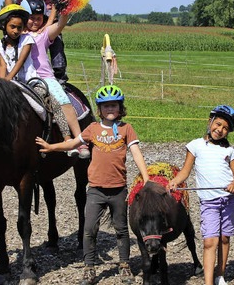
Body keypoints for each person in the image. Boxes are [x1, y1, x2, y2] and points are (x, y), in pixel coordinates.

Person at [35, 85, 149, 285]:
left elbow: (136, 153)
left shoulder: (126, 129)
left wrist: (146, 178)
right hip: (95, 190)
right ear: (99, 109)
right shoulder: (92, 129)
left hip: (118, 189)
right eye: (105, 106)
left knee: (121, 229)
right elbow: (72, 144)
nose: (110, 109)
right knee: (89, 230)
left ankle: (124, 265)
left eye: (114, 105)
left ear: (120, 108)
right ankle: (89, 268)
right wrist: (51, 147)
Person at [168, 105, 234, 285]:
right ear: (210, 122)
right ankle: (208, 282)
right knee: (210, 241)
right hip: (209, 202)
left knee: (224, 238)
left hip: (228, 200)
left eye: (225, 128)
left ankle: (220, 275)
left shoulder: (229, 151)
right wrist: (175, 182)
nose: (220, 130)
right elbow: (185, 171)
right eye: (218, 124)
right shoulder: (195, 146)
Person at [0, 3, 73, 142]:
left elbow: (20, 62)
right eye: (12, 27)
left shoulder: (27, 40)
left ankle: (67, 137)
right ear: (4, 26)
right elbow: (2, 65)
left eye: (19, 27)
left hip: (31, 81)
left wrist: (7, 80)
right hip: (11, 82)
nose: (16, 30)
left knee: (53, 102)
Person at [22, 0, 89, 158]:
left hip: (46, 78)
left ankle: (79, 141)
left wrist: (64, 9)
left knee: (64, 101)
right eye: (31, 18)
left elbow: (60, 24)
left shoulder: (44, 34)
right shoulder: (18, 35)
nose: (35, 22)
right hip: (22, 79)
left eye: (38, 18)